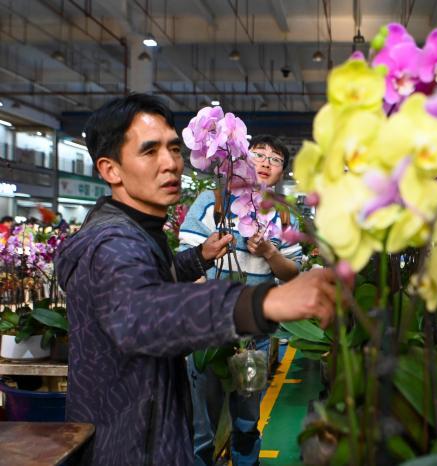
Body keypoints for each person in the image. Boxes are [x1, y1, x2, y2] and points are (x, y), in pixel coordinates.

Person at [55, 94, 338, 465]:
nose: (170, 163)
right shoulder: (112, 242)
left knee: (239, 416)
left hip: (148, 424)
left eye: (174, 149)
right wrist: (261, 302)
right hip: (129, 443)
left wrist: (196, 259)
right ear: (111, 170)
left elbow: (149, 278)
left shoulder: (137, 232)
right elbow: (141, 313)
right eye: (149, 151)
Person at [179, 135, 300, 466]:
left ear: (282, 172)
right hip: (207, 332)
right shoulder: (212, 200)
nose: (264, 163)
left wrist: (269, 252)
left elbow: (292, 273)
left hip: (253, 338)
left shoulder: (283, 215)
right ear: (243, 160)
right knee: (201, 430)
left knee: (247, 423)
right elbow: (186, 257)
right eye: (258, 155)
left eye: (274, 160)